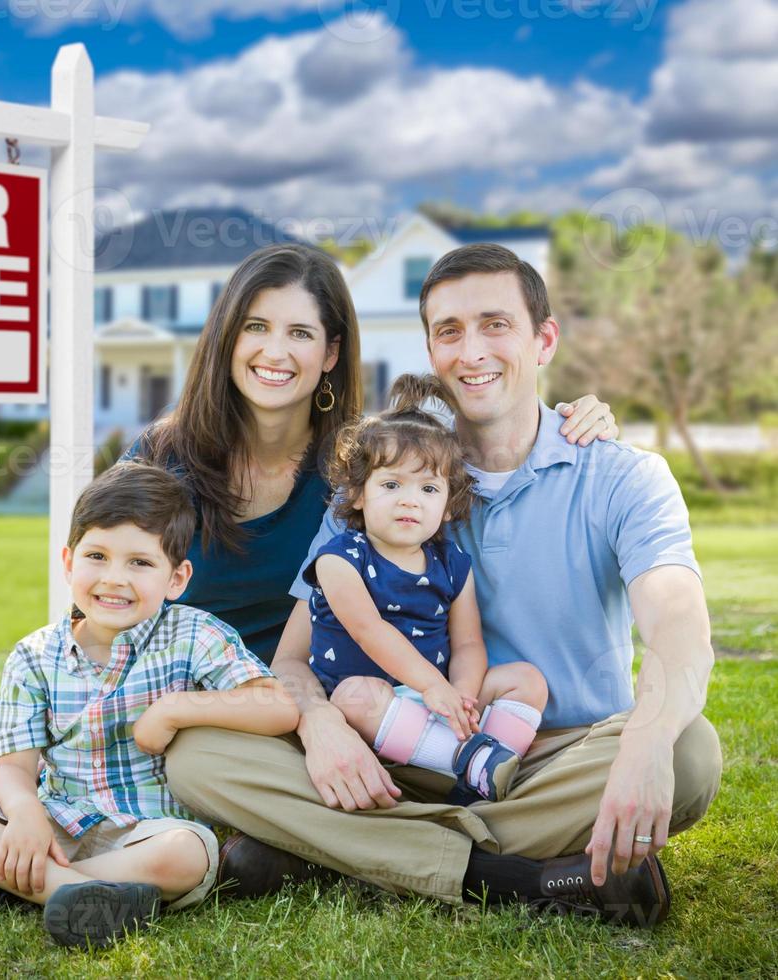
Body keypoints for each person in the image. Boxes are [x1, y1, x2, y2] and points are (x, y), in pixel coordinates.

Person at [0, 242, 618, 857]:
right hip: (142, 691)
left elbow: (474, 436)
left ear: (330, 353)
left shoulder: (362, 467)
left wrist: (579, 416)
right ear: (227, 337)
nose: (274, 352)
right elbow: (102, 590)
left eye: (299, 334)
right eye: (255, 327)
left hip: (272, 713)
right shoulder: (164, 455)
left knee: (189, 807)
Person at [163, 243, 722, 927]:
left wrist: (642, 741)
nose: (471, 350)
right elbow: (290, 657)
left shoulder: (621, 476)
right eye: (448, 331)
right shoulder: (388, 478)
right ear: (430, 349)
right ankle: (511, 875)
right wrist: (318, 724)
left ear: (543, 339)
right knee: (195, 754)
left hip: (545, 760)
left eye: (495, 324)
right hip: (393, 748)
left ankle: (337, 849)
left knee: (687, 751)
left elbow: (678, 625)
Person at [0, 462, 298, 948]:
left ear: (176, 578)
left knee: (190, 854)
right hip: (56, 821)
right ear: (69, 562)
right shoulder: (35, 655)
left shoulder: (194, 633)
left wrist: (176, 708)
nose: (115, 579)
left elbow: (277, 705)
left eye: (140, 563)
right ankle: (83, 895)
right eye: (98, 556)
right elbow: (12, 767)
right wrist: (26, 813)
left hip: (144, 832)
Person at [306, 373, 547, 806]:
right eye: (392, 484)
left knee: (526, 680)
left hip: (436, 699)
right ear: (359, 494)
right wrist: (434, 687)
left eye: (429, 488)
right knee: (353, 696)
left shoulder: (451, 563)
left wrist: (463, 696)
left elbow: (469, 642)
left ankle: (477, 768)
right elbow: (370, 631)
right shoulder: (340, 558)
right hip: (373, 709)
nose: (410, 500)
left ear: (448, 500)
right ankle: (469, 762)